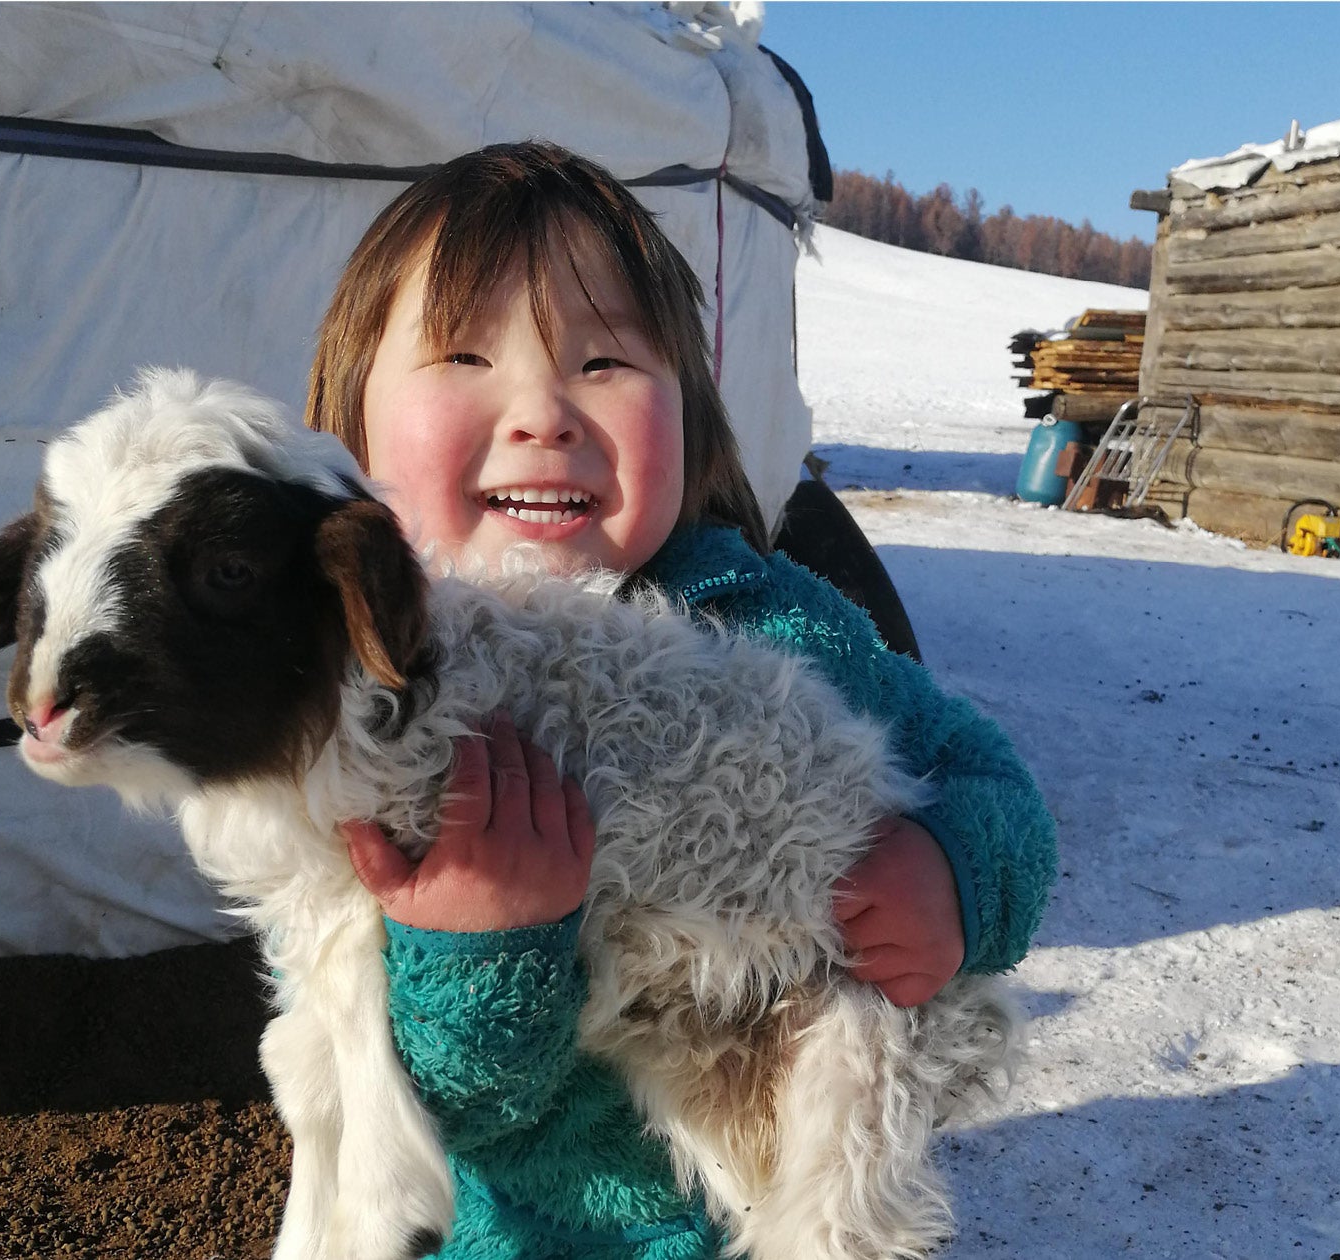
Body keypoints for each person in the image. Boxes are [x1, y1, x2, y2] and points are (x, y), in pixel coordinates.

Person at [304, 141, 1056, 1258]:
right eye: (463, 353)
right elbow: (437, 1116)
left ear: (692, 410)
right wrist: (482, 944)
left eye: (604, 360)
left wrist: (954, 870)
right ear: (348, 424)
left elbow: (991, 780)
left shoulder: (777, 626)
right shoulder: (371, 715)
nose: (543, 414)